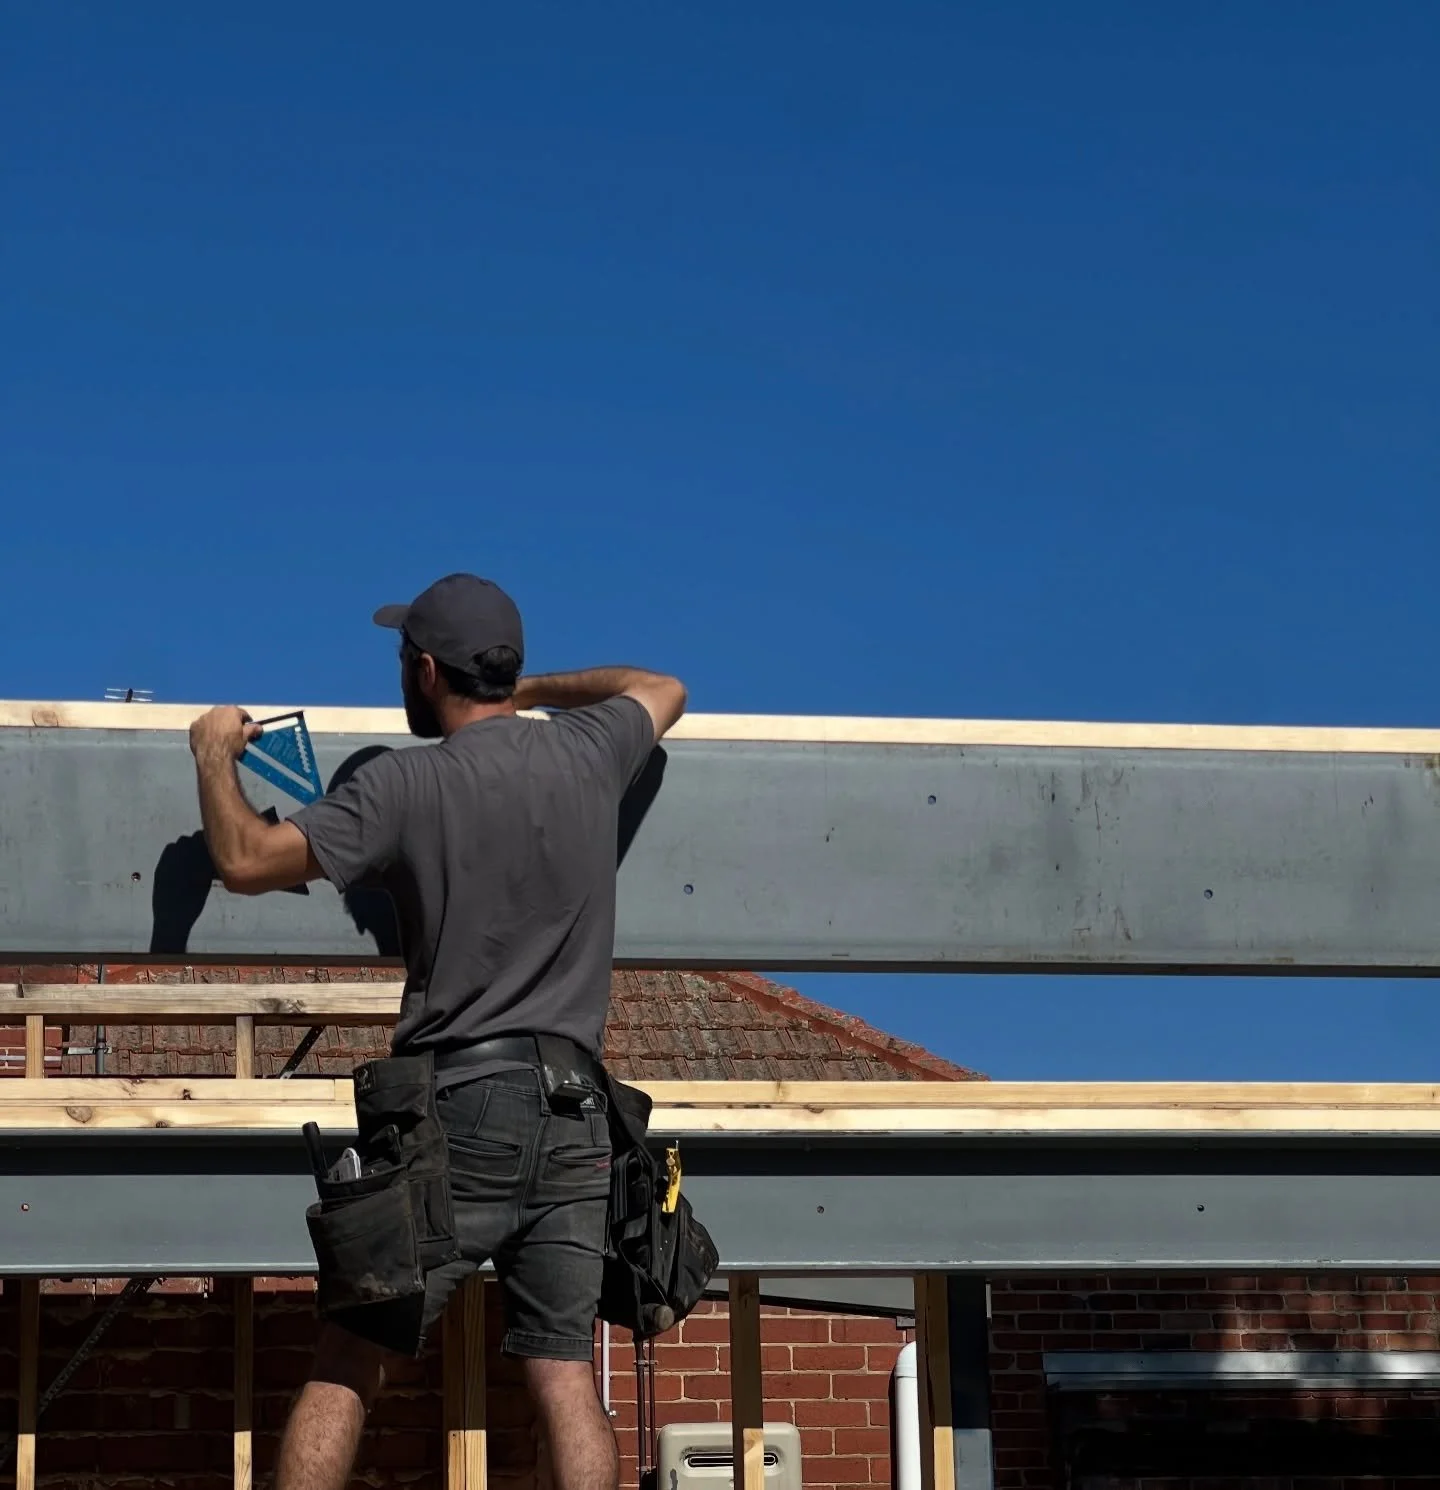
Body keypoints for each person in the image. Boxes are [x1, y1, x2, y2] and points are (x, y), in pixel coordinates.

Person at [187, 572, 688, 1490]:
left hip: (461, 1112)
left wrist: (214, 752)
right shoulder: (588, 752)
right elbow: (661, 689)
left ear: (423, 670)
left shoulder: (403, 784)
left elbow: (244, 859)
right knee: (565, 1370)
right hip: (580, 1114)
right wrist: (527, 695)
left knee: (348, 1362)